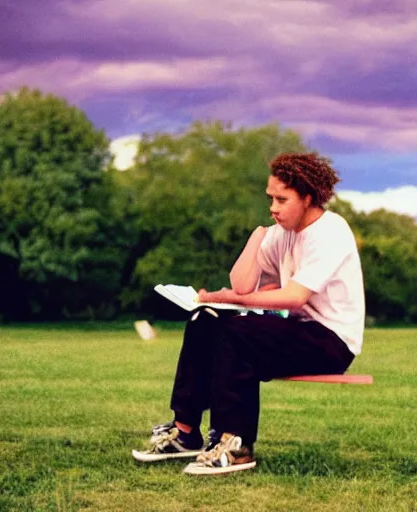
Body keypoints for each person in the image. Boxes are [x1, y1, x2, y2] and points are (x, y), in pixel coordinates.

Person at [141, 152, 365, 475]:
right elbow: (242, 284)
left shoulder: (330, 232)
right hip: (297, 332)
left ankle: (237, 446)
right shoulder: (279, 233)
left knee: (237, 332)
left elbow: (293, 297)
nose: (273, 207)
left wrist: (235, 300)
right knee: (206, 319)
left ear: (307, 198)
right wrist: (257, 237)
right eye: (270, 198)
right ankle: (186, 432)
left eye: (282, 199)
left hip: (331, 341)